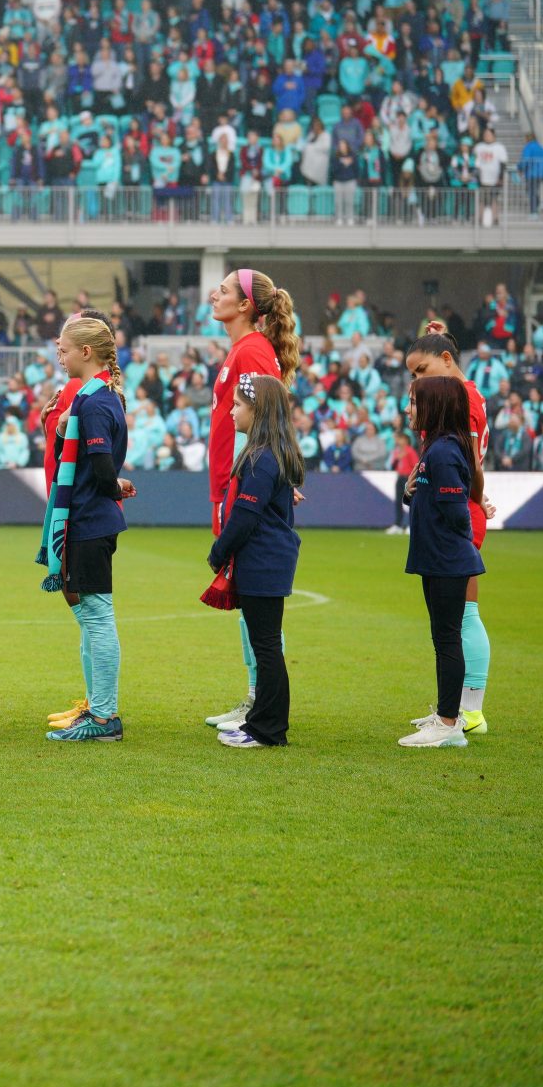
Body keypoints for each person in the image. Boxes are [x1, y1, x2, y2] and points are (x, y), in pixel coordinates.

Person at [201, 269, 300, 731]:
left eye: (222, 290)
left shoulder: (254, 350)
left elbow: (269, 414)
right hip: (229, 485)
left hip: (240, 488)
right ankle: (257, 698)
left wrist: (264, 480)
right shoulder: (243, 349)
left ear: (245, 305)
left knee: (255, 599)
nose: (212, 295)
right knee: (248, 599)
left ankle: (260, 702)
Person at [41, 316, 135, 743]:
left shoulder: (94, 401)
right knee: (93, 617)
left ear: (85, 352)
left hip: (90, 521)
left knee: (97, 617)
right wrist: (63, 430)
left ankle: (103, 718)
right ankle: (97, 710)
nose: (58, 356)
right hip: (93, 519)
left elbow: (99, 471)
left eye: (63, 349)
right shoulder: (100, 397)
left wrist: (113, 483)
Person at [404, 324, 495, 735]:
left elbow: (468, 461)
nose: (417, 382)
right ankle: (454, 707)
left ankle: (467, 710)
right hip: (451, 506)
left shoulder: (464, 399)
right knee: (454, 621)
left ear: (446, 360)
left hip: (455, 515)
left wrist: (476, 497)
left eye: (421, 371)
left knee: (461, 618)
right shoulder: (457, 396)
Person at [207, 374, 303, 748]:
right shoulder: (268, 452)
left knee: (266, 647)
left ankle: (269, 729)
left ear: (258, 410)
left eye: (238, 405)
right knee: (265, 646)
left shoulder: (262, 458)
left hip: (264, 559)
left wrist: (219, 551)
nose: (231, 412)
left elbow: (245, 516)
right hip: (266, 558)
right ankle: (260, 722)